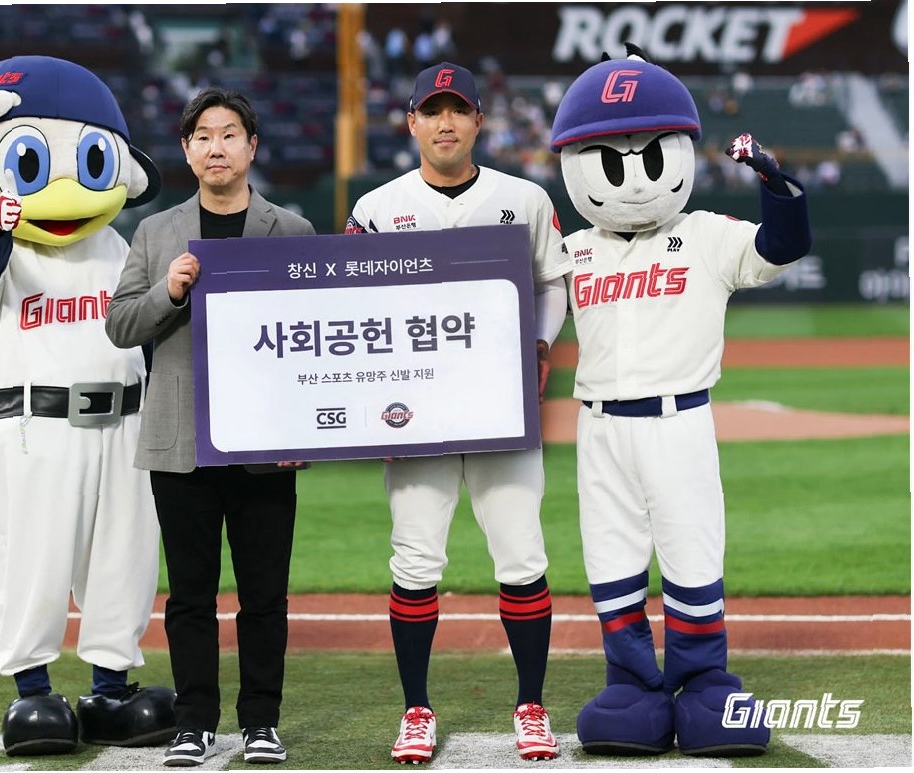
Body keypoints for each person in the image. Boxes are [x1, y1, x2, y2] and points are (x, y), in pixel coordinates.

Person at [549, 47, 811, 757]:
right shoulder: (574, 250)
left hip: (678, 420)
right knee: (611, 560)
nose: (633, 176)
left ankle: (702, 684)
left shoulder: (704, 235)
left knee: (692, 556)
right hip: (599, 428)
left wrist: (774, 182)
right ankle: (633, 686)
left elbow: (782, 246)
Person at [0, 55, 174, 756]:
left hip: (124, 422)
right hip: (34, 424)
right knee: (31, 557)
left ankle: (110, 691)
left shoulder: (117, 244)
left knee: (123, 557)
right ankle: (33, 691)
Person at [344, 62, 571, 764]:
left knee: (522, 553)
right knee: (415, 558)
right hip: (416, 410)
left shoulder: (523, 197)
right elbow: (349, 303)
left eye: (458, 110)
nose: (446, 123)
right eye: (432, 110)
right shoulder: (377, 207)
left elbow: (552, 283)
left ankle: (531, 705)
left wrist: (539, 344)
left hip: (500, 405)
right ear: (411, 122)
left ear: (478, 120)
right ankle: (416, 708)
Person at [105, 87, 316, 768]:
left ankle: (261, 722)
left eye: (229, 134)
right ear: (187, 149)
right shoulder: (156, 233)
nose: (216, 146)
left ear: (251, 146)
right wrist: (168, 290)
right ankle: (193, 722)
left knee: (264, 596)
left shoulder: (293, 231)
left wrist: (305, 433)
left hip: (264, 441)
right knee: (190, 595)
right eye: (203, 135)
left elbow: (316, 338)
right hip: (182, 439)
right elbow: (119, 325)